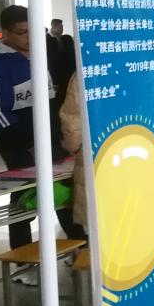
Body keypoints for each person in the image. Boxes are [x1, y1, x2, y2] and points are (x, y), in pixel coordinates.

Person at [0, 5, 72, 251]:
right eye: (21, 33)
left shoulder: (38, 56)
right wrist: (26, 144)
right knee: (25, 196)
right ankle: (21, 251)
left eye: (32, 31)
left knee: (62, 190)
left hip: (50, 138)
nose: (28, 37)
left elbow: (50, 96)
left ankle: (78, 244)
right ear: (6, 33)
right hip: (20, 144)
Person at [58, 73, 89, 240]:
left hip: (93, 154)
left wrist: (74, 149)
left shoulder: (84, 72)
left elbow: (71, 120)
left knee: (99, 231)